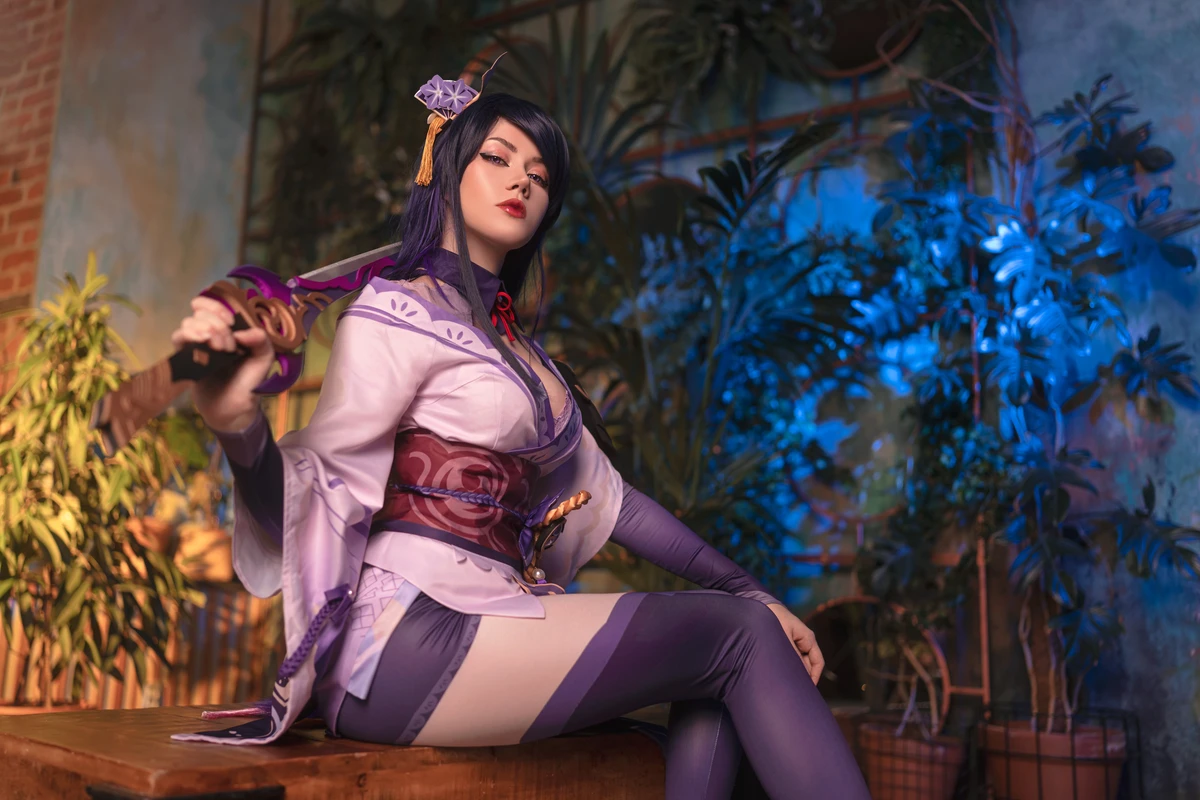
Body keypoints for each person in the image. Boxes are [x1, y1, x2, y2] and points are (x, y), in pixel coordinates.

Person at [168, 72, 871, 799]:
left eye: (539, 174)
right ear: (446, 169)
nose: (521, 182)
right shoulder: (393, 312)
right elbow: (311, 495)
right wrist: (236, 424)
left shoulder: (527, 359)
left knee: (725, 661)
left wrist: (755, 593)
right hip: (400, 642)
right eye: (497, 158)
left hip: (495, 615)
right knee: (737, 637)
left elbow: (617, 503)